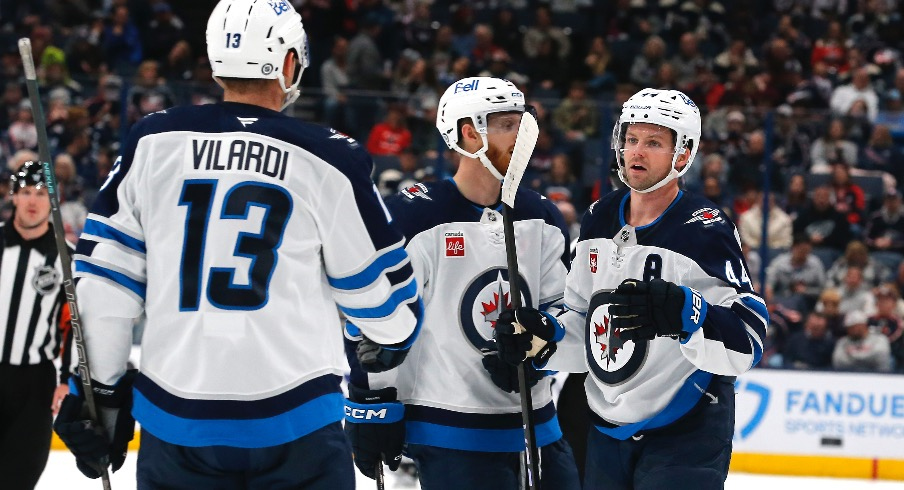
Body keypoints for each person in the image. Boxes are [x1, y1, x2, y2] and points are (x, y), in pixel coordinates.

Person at [52, 1, 422, 488]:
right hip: (299, 425)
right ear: (289, 62)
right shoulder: (329, 158)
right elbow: (388, 312)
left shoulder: (153, 141)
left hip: (176, 421)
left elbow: (103, 286)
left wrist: (99, 390)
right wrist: (391, 342)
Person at [495, 88, 768, 489]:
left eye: (654, 142)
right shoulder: (598, 218)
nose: (636, 152)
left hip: (686, 429)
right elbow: (585, 325)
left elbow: (748, 339)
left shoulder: (703, 229)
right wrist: (546, 337)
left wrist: (690, 315)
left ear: (683, 154)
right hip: (606, 429)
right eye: (631, 139)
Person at [343, 76, 581, 489]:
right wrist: (371, 404)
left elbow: (562, 310)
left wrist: (541, 343)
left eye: (522, 122)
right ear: (469, 134)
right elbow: (373, 319)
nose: (521, 134)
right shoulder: (416, 217)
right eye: (507, 124)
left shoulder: (542, 216)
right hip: (450, 431)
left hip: (538, 426)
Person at [0, 161, 74, 490]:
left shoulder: (67, 259)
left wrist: (66, 378)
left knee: (21, 475)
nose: (34, 200)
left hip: (35, 382)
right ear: (12, 196)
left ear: (54, 200)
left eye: (42, 193)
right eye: (26, 192)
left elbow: (74, 323)